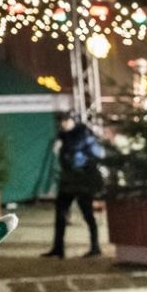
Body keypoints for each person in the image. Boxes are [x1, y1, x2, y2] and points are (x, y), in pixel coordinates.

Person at [45, 111, 104, 259]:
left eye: (66, 120)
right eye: (61, 121)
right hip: (68, 180)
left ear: (73, 121)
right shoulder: (63, 137)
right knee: (60, 213)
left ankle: (95, 247)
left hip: (83, 180)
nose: (63, 124)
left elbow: (92, 153)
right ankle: (58, 248)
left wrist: (65, 146)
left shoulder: (83, 135)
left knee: (87, 214)